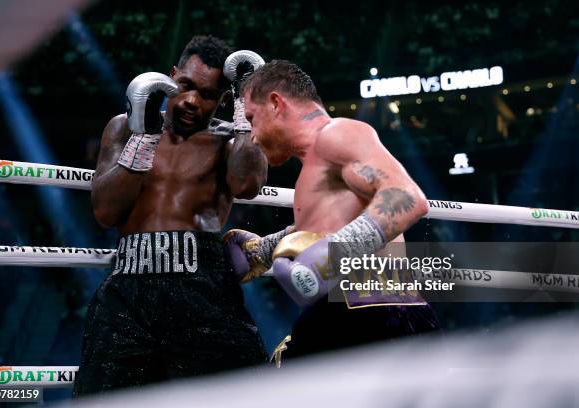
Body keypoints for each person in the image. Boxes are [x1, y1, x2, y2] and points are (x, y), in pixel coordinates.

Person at [73, 36, 269, 396]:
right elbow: (105, 211)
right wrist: (144, 138)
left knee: (240, 396)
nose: (192, 101)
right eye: (186, 86)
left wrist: (246, 113)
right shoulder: (124, 127)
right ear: (171, 76)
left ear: (226, 99)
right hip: (128, 288)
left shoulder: (229, 140)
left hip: (202, 284)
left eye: (208, 94)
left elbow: (247, 185)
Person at [224, 60, 439, 360]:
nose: (254, 136)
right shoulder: (315, 165)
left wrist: (332, 255)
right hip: (355, 314)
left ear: (275, 103)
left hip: (377, 310)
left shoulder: (336, 133)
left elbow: (407, 197)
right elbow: (321, 235)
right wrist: (262, 250)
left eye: (252, 118)